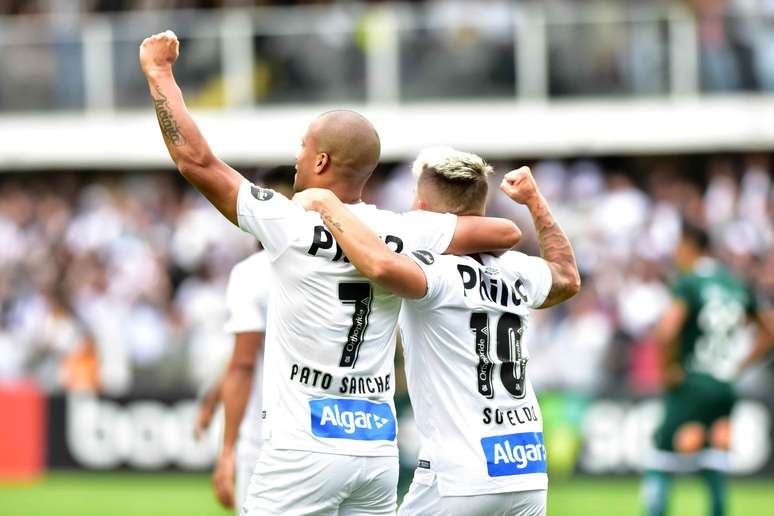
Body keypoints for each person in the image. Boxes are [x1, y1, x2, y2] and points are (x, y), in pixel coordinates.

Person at [139, 31, 521, 515]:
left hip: (302, 449)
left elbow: (195, 160)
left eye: (303, 147)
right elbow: (504, 232)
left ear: (320, 160)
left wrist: (160, 74)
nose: (297, 157)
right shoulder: (402, 230)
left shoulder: (288, 222)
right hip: (376, 453)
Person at [294, 150, 581, 516]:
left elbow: (380, 266)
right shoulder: (519, 270)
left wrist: (327, 204)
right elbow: (568, 278)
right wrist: (534, 201)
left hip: (459, 475)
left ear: (423, 206)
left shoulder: (438, 271)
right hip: (524, 471)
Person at [643, 224, 774, 516]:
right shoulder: (736, 283)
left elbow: (666, 330)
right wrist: (739, 365)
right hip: (725, 384)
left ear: (691, 246)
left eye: (679, 246)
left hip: (693, 379)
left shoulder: (688, 283)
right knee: (714, 458)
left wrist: (670, 369)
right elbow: (769, 330)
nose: (676, 253)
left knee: (659, 458)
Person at [194, 169, 294, 512]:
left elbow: (245, 362)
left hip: (268, 438)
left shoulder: (253, 273)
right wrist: (211, 398)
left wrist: (226, 451)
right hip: (343, 435)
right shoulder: (342, 261)